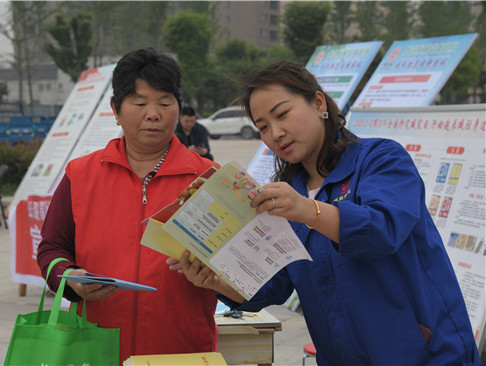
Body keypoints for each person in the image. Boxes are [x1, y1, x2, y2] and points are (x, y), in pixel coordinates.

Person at [169, 60, 481, 365]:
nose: (275, 133)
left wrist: (306, 210)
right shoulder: (290, 194)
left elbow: (382, 230)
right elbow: (274, 284)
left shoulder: (381, 159)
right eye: (263, 126)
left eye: (283, 114)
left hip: (426, 355)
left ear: (318, 102)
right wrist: (214, 279)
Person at [37, 48, 219, 363]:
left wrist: (216, 276)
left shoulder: (207, 178)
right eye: (140, 103)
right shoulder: (80, 174)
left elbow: (242, 270)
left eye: (165, 103)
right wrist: (70, 278)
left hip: (182, 350)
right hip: (95, 347)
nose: (154, 114)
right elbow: (52, 248)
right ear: (115, 110)